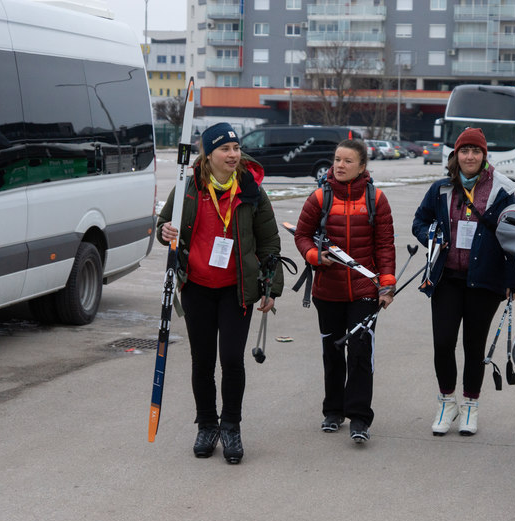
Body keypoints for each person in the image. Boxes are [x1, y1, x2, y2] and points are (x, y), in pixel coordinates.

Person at [156, 122, 284, 464]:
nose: (233, 154)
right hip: (196, 287)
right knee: (202, 361)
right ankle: (207, 425)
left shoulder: (251, 190)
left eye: (236, 148)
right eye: (225, 149)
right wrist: (165, 231)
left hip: (235, 289)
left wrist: (270, 287)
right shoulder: (187, 188)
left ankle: (231, 427)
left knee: (231, 359)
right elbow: (164, 226)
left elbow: (270, 242)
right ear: (208, 154)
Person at [412, 127, 515, 437]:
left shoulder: (502, 190)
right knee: (443, 342)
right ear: (456, 155)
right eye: (465, 151)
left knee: (474, 346)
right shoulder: (441, 189)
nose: (470, 156)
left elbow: (514, 235)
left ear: (484, 156)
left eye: (476, 151)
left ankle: (471, 405)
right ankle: (447, 403)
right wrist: (432, 237)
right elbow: (420, 221)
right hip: (446, 277)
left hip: (485, 280)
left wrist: (514, 280)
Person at [293, 139, 396, 444]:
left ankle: (360, 417)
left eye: (347, 161)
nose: (339, 165)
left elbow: (385, 245)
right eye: (337, 159)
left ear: (362, 166)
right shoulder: (319, 197)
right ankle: (333, 411)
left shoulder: (377, 199)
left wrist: (387, 285)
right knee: (333, 352)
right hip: (328, 291)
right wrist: (314, 255)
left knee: (360, 352)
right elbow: (302, 235)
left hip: (365, 290)